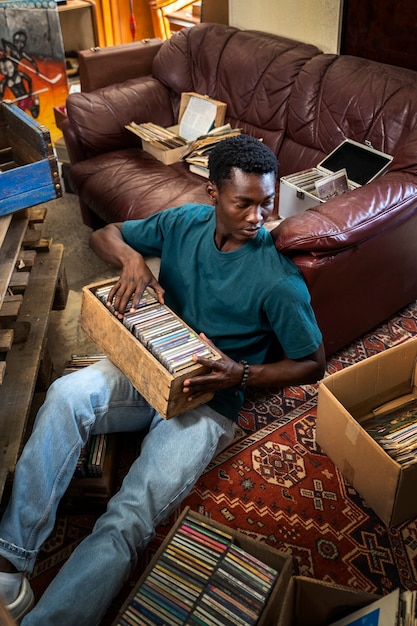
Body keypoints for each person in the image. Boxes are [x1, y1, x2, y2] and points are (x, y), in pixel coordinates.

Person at [0, 134, 325, 625]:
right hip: (150, 362)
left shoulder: (278, 280)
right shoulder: (183, 221)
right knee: (68, 394)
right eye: (243, 204)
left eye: (266, 203)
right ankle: (10, 558)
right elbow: (105, 233)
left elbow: (313, 362)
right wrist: (131, 258)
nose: (258, 218)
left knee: (130, 515)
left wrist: (242, 374)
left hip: (210, 402)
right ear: (213, 194)